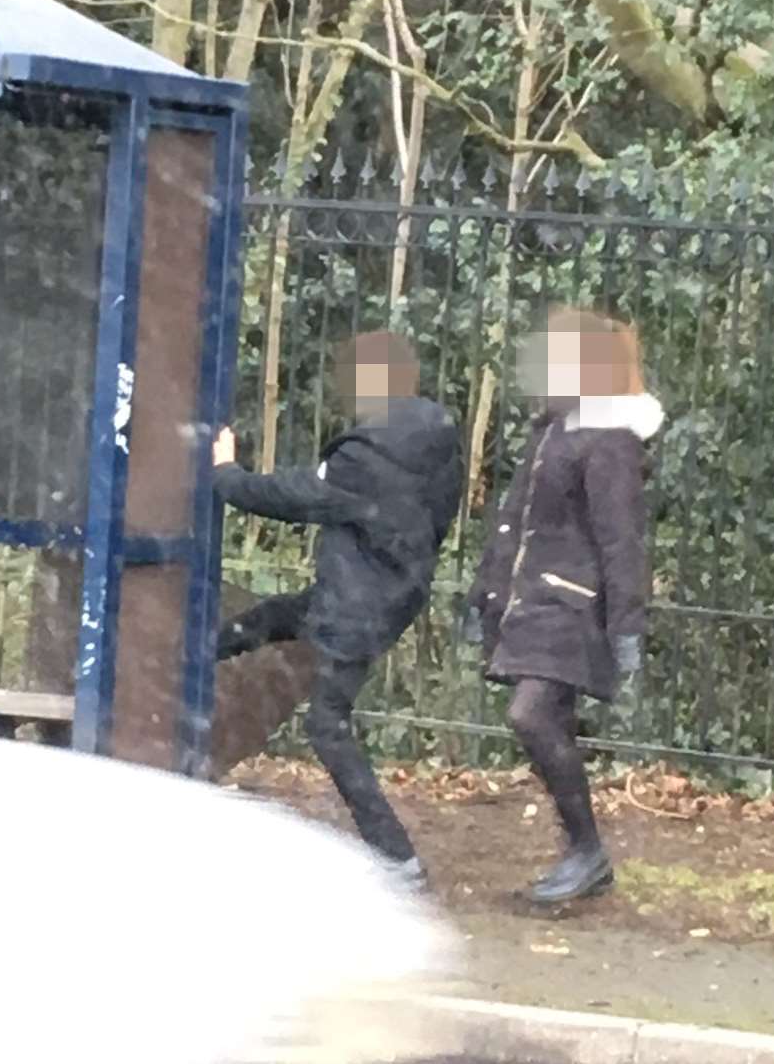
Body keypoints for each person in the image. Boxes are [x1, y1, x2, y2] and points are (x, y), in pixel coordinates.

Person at [212, 331, 462, 887]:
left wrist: (226, 474)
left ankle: (397, 857)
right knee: (272, 619)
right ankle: (187, 656)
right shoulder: (435, 437)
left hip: (356, 607)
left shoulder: (366, 457)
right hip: (386, 592)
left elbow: (295, 496)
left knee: (327, 726)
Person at [462, 307, 663, 904]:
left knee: (530, 716)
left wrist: (628, 626)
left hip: (574, 607)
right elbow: (512, 525)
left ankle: (587, 851)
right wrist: (484, 598)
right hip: (536, 601)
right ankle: (583, 854)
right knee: (543, 723)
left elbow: (620, 538)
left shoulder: (609, 440)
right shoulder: (554, 428)